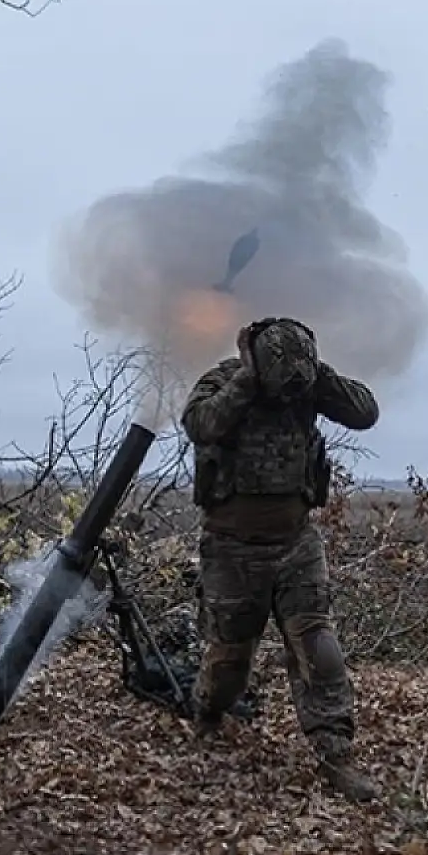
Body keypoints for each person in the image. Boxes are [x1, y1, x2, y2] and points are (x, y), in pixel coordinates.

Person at [179, 316, 380, 803]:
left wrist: (315, 373)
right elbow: (200, 424)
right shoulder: (225, 379)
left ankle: (336, 754)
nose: (289, 390)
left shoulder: (307, 386)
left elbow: (365, 412)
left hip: (296, 542)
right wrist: (249, 377)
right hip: (231, 547)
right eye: (282, 374)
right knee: (229, 663)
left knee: (319, 648)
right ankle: (207, 714)